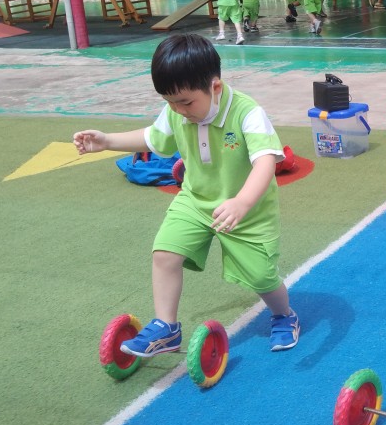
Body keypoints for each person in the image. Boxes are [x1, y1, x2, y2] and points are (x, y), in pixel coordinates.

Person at [72, 33, 301, 354]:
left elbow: (265, 162)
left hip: (246, 212)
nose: (178, 110)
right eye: (170, 101)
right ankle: (167, 327)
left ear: (215, 87)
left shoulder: (248, 113)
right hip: (195, 201)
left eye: (186, 102)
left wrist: (243, 202)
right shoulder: (176, 111)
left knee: (261, 278)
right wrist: (107, 141)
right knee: (165, 254)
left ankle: (283, 314)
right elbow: (153, 138)